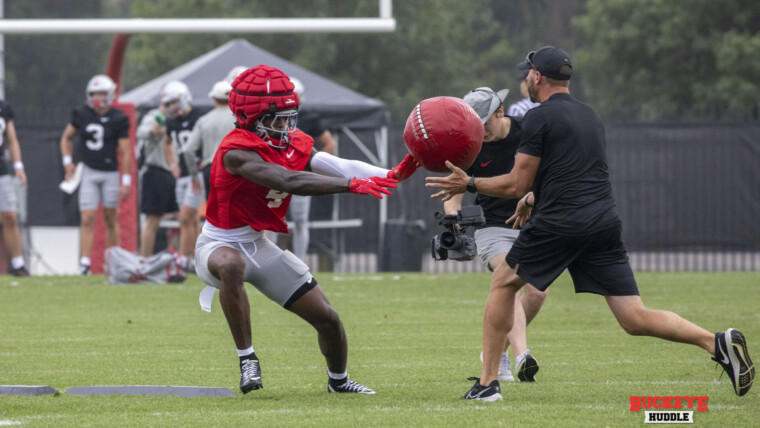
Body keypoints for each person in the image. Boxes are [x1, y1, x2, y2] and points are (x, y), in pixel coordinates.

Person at [427, 46, 754, 401]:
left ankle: (488, 383)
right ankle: (715, 342)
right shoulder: (590, 115)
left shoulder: (538, 118)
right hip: (602, 222)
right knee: (634, 317)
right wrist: (532, 199)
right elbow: (573, 174)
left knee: (504, 283)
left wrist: (469, 184)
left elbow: (516, 183)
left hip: (561, 223)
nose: (526, 80)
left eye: (529, 74)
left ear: (537, 77)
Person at [194, 64, 418, 394]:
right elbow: (289, 180)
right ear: (253, 117)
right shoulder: (235, 150)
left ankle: (338, 383)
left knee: (327, 318)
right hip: (217, 244)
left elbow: (336, 164)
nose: (286, 125)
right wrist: (349, 186)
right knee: (231, 264)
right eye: (277, 118)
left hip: (259, 245)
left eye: (289, 116)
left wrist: (389, 173)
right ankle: (247, 359)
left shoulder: (293, 142)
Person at [445, 87, 547, 383]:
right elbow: (454, 188)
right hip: (493, 228)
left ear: (500, 112)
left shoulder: (528, 132)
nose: (480, 131)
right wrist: (453, 219)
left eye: (484, 123)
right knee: (509, 276)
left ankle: (496, 354)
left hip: (533, 225)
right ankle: (522, 356)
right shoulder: (470, 145)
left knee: (538, 293)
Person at [60, 75, 131, 275]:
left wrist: (125, 181)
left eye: (101, 93)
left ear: (110, 95)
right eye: (94, 93)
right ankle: (84, 264)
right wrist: (68, 163)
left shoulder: (119, 118)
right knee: (87, 217)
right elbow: (66, 138)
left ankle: (112, 263)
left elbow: (125, 151)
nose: (97, 97)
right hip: (88, 171)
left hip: (110, 172)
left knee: (110, 218)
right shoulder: (82, 113)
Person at [285, 77, 337, 261]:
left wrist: (313, 167)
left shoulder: (308, 118)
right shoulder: (271, 116)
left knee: (300, 222)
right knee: (273, 220)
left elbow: (329, 143)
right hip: (277, 174)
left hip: (299, 174)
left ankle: (298, 261)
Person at [161, 81, 203, 276]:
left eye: (175, 102)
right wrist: (173, 164)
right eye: (169, 104)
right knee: (189, 219)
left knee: (186, 216)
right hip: (183, 174)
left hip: (197, 173)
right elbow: (166, 142)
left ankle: (183, 259)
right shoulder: (170, 123)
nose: (172, 107)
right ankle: (197, 259)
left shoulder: (198, 117)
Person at [137, 104, 179, 257]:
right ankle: (144, 261)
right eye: (168, 103)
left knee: (184, 218)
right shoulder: (154, 116)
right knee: (152, 221)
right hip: (156, 172)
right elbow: (140, 132)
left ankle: (179, 260)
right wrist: (152, 131)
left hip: (173, 174)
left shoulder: (176, 119)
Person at [183, 80, 235, 201]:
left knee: (214, 211)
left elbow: (188, 149)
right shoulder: (239, 118)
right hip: (236, 168)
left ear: (214, 98)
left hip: (212, 168)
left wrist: (194, 175)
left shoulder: (204, 120)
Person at [0, 100, 29, 276]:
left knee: (10, 215)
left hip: (1, 169)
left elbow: (11, 139)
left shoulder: (3, 108)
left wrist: (19, 166)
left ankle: (18, 265)